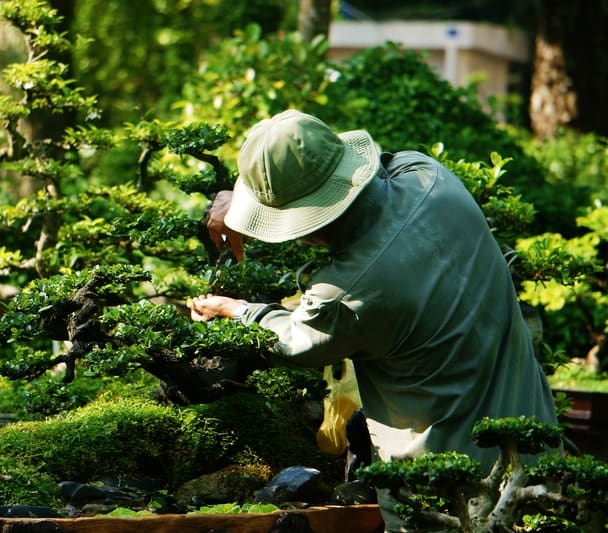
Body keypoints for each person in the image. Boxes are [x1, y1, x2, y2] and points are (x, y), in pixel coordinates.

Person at [187, 109, 559, 531]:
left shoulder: (345, 293)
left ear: (300, 226)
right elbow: (381, 175)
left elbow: (294, 341)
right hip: (535, 459)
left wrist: (236, 309)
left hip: (444, 498)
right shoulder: (430, 175)